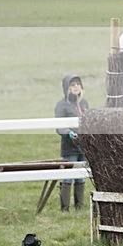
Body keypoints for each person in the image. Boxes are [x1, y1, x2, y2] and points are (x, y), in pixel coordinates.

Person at [55, 74, 89, 211]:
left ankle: (79, 207)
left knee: (81, 176)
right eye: (72, 85)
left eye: (78, 84)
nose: (76, 87)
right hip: (70, 148)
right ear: (67, 88)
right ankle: (65, 209)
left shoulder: (84, 103)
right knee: (68, 177)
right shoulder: (61, 105)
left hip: (83, 146)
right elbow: (59, 127)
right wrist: (69, 132)